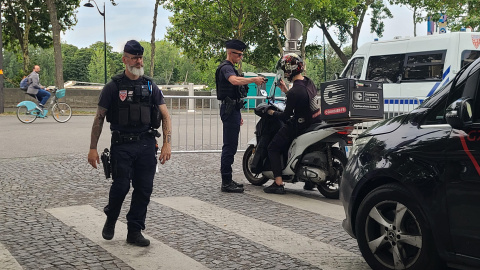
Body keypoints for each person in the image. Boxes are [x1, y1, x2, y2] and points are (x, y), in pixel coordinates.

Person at [87, 40, 172, 247]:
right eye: (134, 57)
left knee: (144, 189)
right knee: (121, 186)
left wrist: (167, 144)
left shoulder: (150, 86)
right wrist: (92, 148)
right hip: (122, 145)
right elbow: (99, 118)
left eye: (140, 57)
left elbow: (165, 115)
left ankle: (134, 231)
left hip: (146, 144)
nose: (138, 61)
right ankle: (111, 218)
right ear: (125, 60)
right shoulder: (112, 87)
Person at [263, 53, 322, 194]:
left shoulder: (295, 91)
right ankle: (309, 182)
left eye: (285, 70)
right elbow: (302, 99)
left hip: (299, 125)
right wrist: (286, 91)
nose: (284, 73)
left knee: (273, 147)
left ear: (289, 71)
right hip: (314, 122)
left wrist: (271, 113)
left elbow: (284, 116)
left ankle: (278, 183)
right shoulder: (309, 82)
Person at [215, 39, 266, 193]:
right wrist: (254, 79)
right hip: (229, 110)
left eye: (242, 55)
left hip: (233, 110)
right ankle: (226, 182)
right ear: (230, 53)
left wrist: (238, 112)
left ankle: (228, 180)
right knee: (229, 147)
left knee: (232, 146)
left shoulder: (231, 67)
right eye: (239, 54)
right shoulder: (226, 68)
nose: (241, 57)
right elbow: (234, 81)